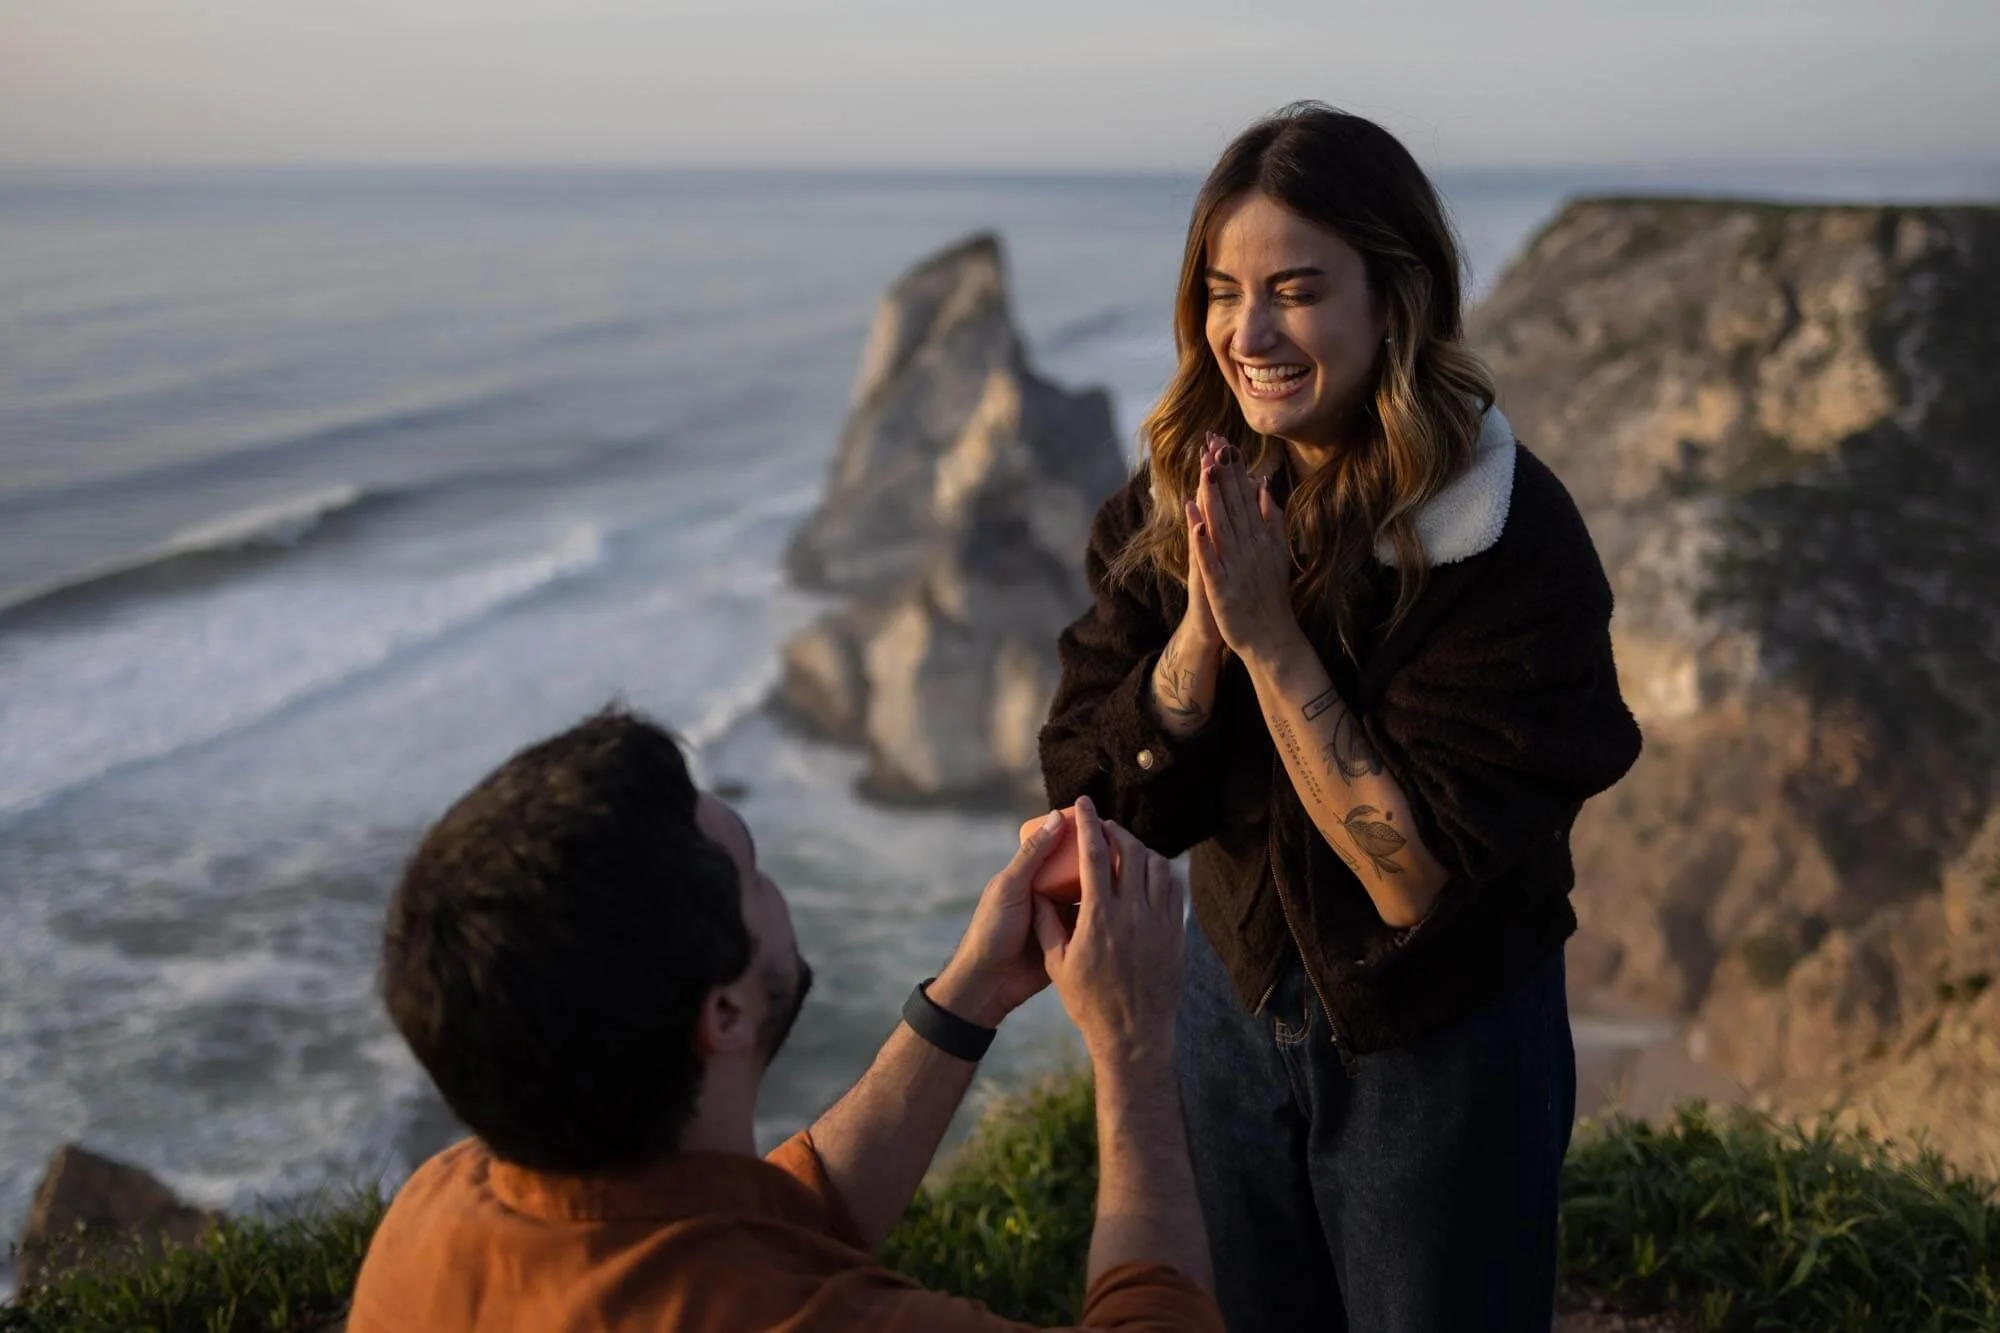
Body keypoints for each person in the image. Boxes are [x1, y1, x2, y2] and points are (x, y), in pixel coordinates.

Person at [1039, 102, 1644, 1333]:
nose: (1245, 334)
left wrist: (1268, 637)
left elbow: (1414, 883)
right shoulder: (1184, 500)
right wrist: (1206, 625)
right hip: (1229, 998)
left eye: (1296, 291)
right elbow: (1094, 785)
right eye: (1220, 290)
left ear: (1396, 295)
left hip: (1438, 1043)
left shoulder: (1506, 542)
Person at [348, 707, 1223, 1333]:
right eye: (754, 870)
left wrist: (973, 992)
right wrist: (1132, 1046)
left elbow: (764, 1223)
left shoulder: (436, 1216)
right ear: (723, 1010)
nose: (776, 887)